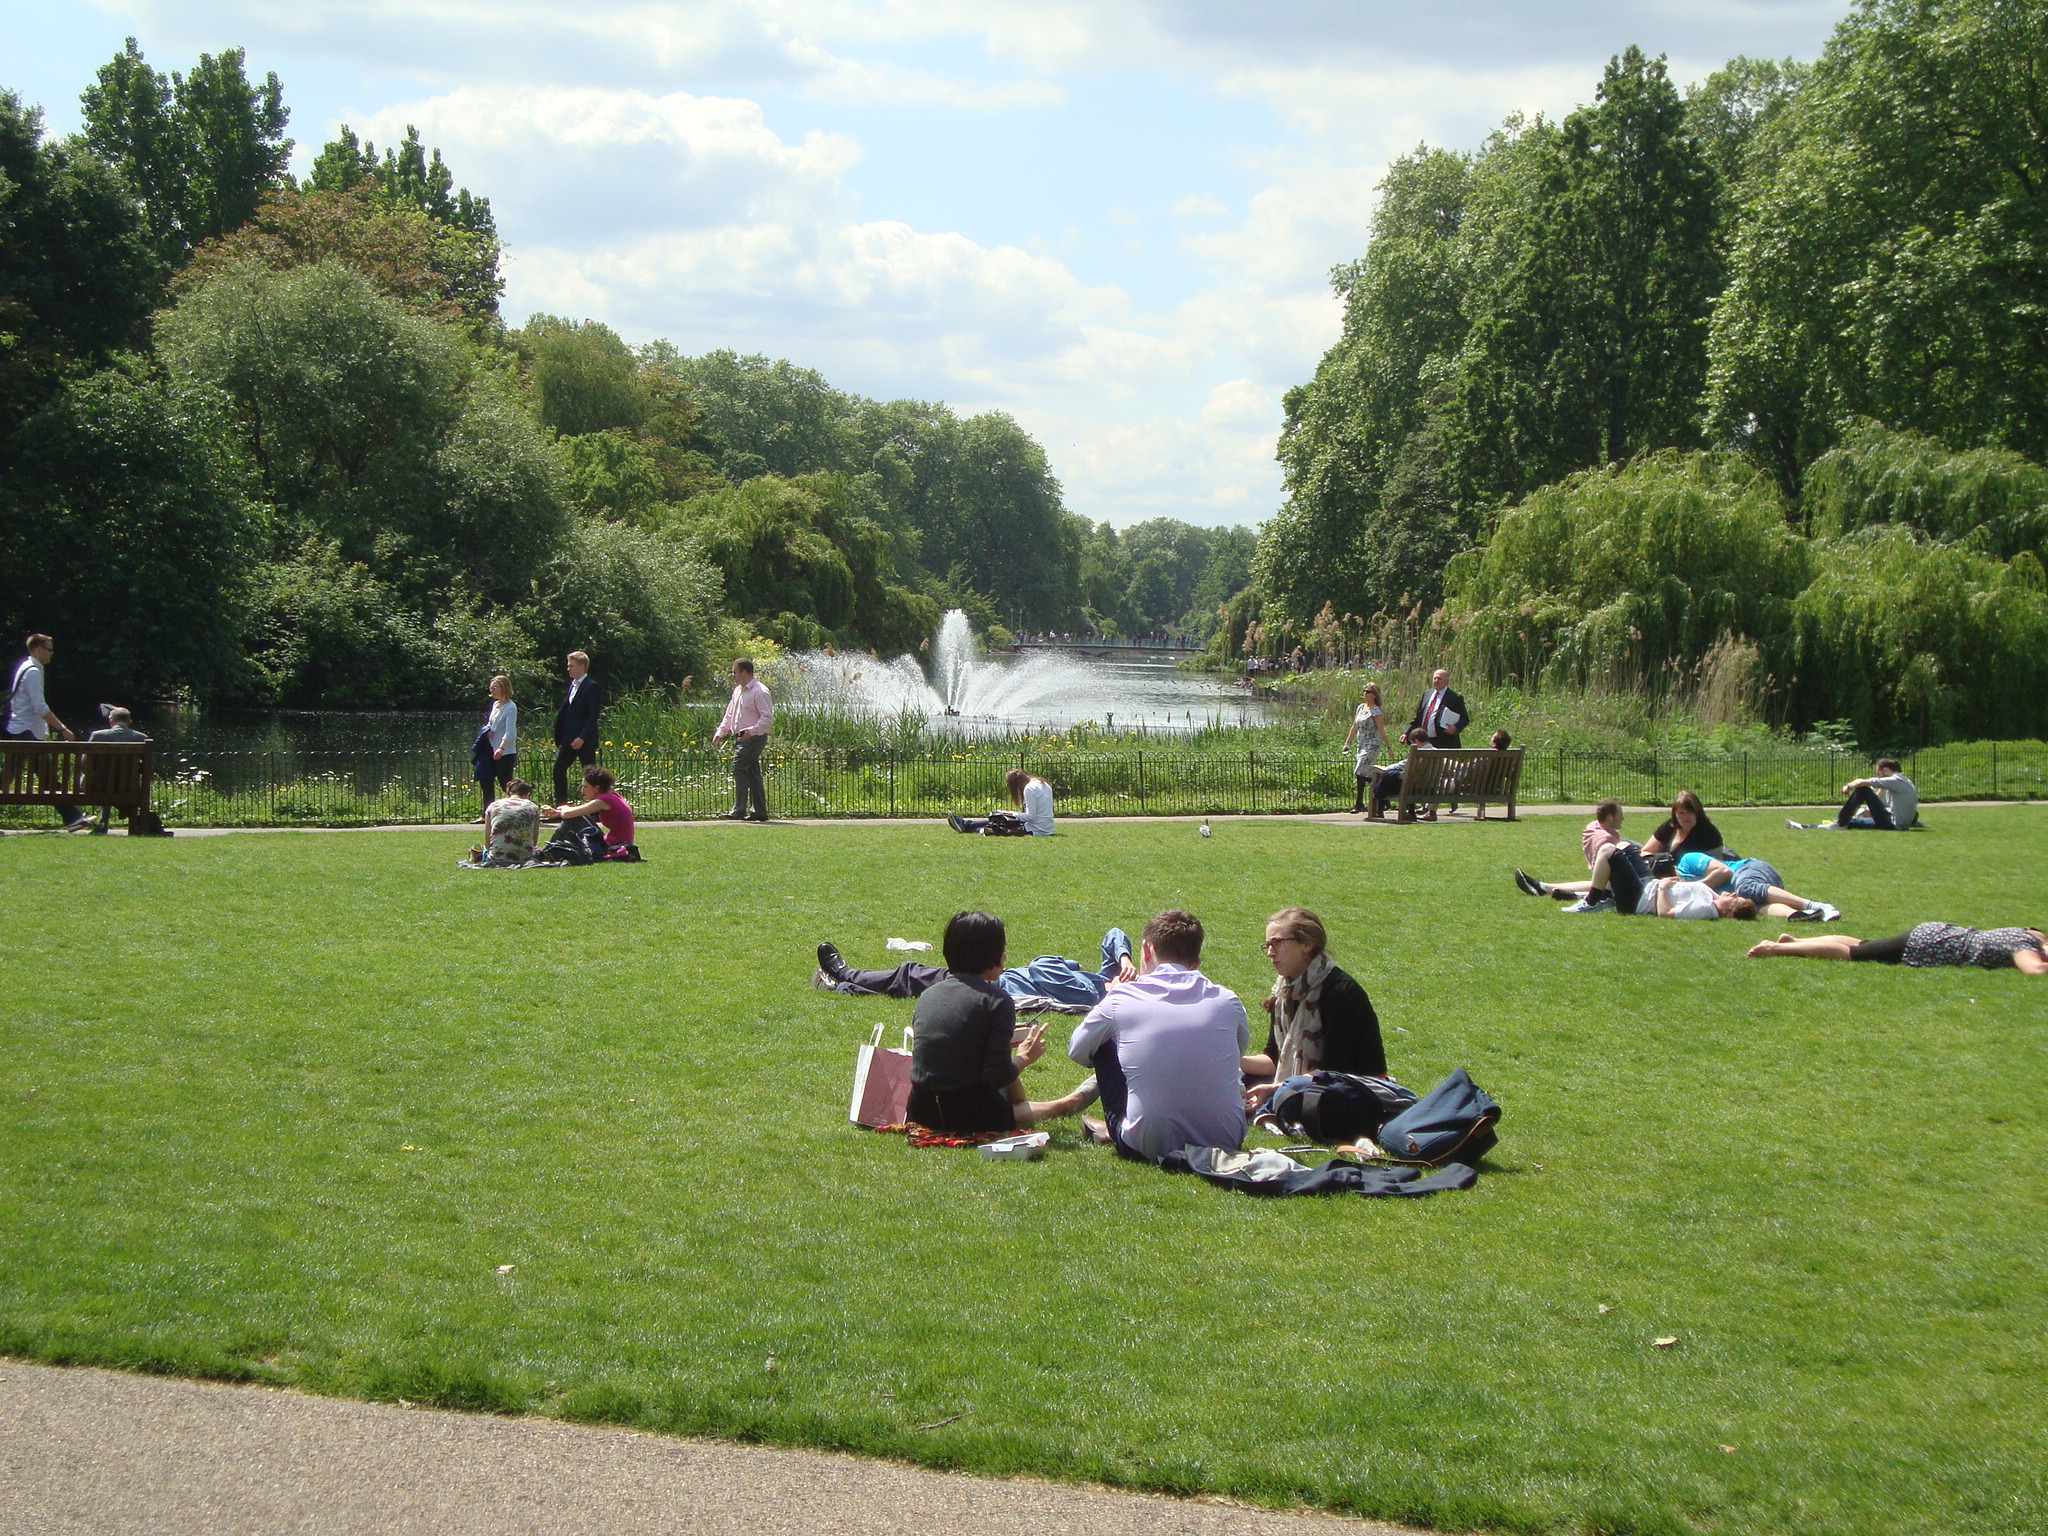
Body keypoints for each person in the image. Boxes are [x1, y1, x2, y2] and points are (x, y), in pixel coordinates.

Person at [1068, 909, 1250, 1162]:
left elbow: (1078, 1050)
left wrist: (1108, 1000)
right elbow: (1239, 1051)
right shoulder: (1227, 1000)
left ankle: (1128, 1123)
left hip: (1148, 1145)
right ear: (1196, 962)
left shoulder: (1122, 999)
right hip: (1226, 1137)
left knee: (1104, 1041)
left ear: (1146, 949)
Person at [905, 911, 1099, 1134]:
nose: (1005, 956)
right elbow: (998, 1076)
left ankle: (1023, 1106)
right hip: (966, 1115)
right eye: (1002, 949)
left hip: (921, 1110)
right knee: (1017, 1083)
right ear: (991, 955)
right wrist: (1024, 1057)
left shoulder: (929, 995)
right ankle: (1067, 1104)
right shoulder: (996, 1001)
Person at [1240, 908, 1388, 1115]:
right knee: (1241, 1079)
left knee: (1293, 1094)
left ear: (1307, 945)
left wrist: (1276, 1088)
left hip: (1353, 1088)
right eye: (1267, 945)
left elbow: (1334, 1070)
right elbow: (1274, 1058)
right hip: (1309, 1080)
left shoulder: (1340, 992)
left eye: (1277, 943)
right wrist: (1231, 1060)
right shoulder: (1284, 991)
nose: (1270, 952)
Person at [816, 928, 1136, 1007]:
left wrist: (1069, 965)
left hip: (993, 986)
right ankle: (845, 985)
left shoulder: (1090, 993)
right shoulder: (1104, 978)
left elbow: (1042, 968)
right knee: (915, 979)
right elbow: (1114, 934)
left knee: (912, 974)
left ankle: (845, 975)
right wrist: (1124, 959)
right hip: (994, 975)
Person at [5, 634, 86, 831]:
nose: (52, 653)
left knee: (13, 776)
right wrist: (62, 728)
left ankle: (73, 818)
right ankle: (73, 818)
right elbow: (40, 707)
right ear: (38, 649)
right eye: (49, 649)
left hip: (21, 731)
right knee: (45, 776)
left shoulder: (25, 667)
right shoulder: (33, 671)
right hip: (27, 732)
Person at [1563, 838, 1760, 919]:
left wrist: (1664, 887)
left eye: (1735, 900)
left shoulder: (1704, 908)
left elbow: (1666, 913)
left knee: (1608, 851)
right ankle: (1605, 897)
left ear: (1728, 912)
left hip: (1638, 899)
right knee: (1625, 845)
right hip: (1648, 885)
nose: (1733, 894)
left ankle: (1591, 902)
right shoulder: (1712, 898)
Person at [1747, 924, 2047, 972]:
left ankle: (1796, 941)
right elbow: (2034, 969)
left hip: (1937, 933)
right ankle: (1775, 949)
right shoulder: (2024, 943)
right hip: (1930, 944)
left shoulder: (2028, 931)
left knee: (1864, 944)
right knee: (1855, 954)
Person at [1516, 798, 1627, 901]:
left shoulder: (1593, 826)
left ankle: (1543, 887)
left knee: (1598, 883)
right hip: (1610, 883)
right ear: (1610, 817)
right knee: (1610, 887)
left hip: (1603, 879)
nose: (1623, 818)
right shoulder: (1607, 839)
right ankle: (1573, 895)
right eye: (1620, 815)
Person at [1676, 852, 1840, 921]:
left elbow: (1724, 872)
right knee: (1752, 906)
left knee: (1746, 888)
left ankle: (1816, 905)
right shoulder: (1678, 890)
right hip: (1752, 892)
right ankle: (1800, 915)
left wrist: (1695, 887)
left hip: (1749, 870)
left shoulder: (1687, 861)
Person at [711, 657, 772, 822]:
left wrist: (750, 732)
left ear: (744, 672)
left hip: (754, 737)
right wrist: (721, 731)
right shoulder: (738, 691)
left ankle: (739, 810)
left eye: (735, 672)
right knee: (752, 772)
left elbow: (766, 719)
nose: (733, 675)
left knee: (739, 767)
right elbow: (730, 714)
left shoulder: (760, 691)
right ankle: (759, 811)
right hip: (741, 736)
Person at [1788, 759, 1919, 831]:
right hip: (1894, 822)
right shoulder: (1901, 782)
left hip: (1893, 824)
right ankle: (1806, 826)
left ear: (1886, 770)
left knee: (1863, 790)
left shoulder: (1896, 780)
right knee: (1852, 822)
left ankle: (1839, 822)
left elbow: (1861, 782)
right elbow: (1879, 801)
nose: (1878, 777)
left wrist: (1848, 786)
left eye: (1879, 774)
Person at [544, 765, 638, 861]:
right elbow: (577, 811)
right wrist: (558, 812)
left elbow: (567, 814)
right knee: (577, 815)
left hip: (614, 847)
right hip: (617, 843)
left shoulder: (603, 800)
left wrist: (564, 808)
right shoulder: (612, 796)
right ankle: (549, 851)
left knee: (573, 818)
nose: (582, 791)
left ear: (596, 788)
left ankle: (545, 853)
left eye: (585, 787)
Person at [84, 705, 150, 833]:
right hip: (129, 788)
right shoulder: (141, 738)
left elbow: (85, 763)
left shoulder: (98, 736)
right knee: (116, 783)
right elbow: (150, 765)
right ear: (129, 722)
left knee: (103, 781)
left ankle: (103, 823)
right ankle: (131, 823)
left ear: (111, 721)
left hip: (99, 787)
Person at [552, 651, 602, 804]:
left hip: (584, 740)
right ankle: (561, 806)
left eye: (571, 666)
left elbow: (593, 715)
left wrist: (582, 737)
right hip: (568, 738)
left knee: (591, 775)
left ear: (582, 666)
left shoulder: (591, 686)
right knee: (558, 769)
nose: (568, 669)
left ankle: (595, 806)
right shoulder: (573, 686)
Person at [948, 769, 1054, 835]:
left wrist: (1011, 813)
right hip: (1046, 826)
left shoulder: (1029, 789)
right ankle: (966, 824)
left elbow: (1031, 817)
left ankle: (968, 827)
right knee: (1002, 818)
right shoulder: (1043, 783)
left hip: (1035, 829)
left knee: (1000, 823)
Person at [472, 674, 518, 821]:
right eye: (491, 688)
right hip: (490, 749)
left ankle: (516, 811)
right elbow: (492, 724)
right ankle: (487, 814)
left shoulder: (510, 707)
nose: (492, 690)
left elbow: (510, 731)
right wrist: (487, 731)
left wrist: (501, 748)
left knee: (506, 782)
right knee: (486, 781)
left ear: (503, 688)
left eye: (495, 687)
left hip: (504, 751)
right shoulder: (495, 705)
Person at [469, 777, 543, 867]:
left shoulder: (493, 806)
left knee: (479, 849)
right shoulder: (533, 807)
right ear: (528, 795)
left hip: (496, 858)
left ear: (509, 793)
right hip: (524, 858)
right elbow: (534, 840)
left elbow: (488, 842)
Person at [1641, 791, 1730, 860]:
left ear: (1698, 812)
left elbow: (1716, 865)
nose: (1686, 817)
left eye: (1690, 812)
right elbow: (1645, 851)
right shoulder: (1669, 826)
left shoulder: (1709, 833)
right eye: (1681, 813)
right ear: (1675, 814)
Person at [1342, 681, 1386, 813]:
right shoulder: (1361, 708)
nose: (1365, 694)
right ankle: (1382, 792)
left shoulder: (1376, 711)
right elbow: (1354, 726)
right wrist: (1347, 742)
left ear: (1374, 695)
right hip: (1361, 744)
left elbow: (1381, 729)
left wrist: (1388, 746)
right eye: (1364, 691)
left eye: (1368, 692)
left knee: (1359, 770)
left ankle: (1359, 803)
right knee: (1363, 773)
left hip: (1372, 745)